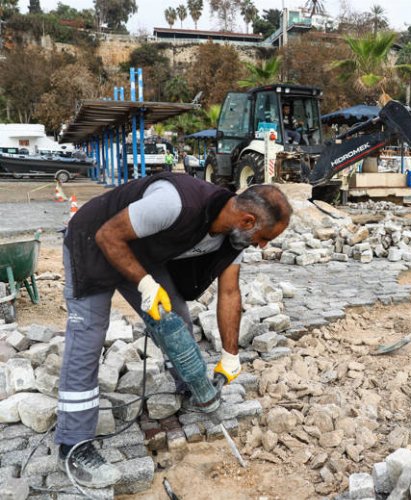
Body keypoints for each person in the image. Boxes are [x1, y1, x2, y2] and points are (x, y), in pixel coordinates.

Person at [56, 172, 292, 487]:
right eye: (265, 238)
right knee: (89, 334)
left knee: (175, 317)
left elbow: (230, 293)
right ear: (248, 221)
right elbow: (108, 235)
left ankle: (192, 386)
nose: (261, 246)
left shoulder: (232, 239)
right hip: (95, 240)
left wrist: (230, 354)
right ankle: (73, 444)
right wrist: (144, 283)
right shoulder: (174, 202)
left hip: (139, 251)